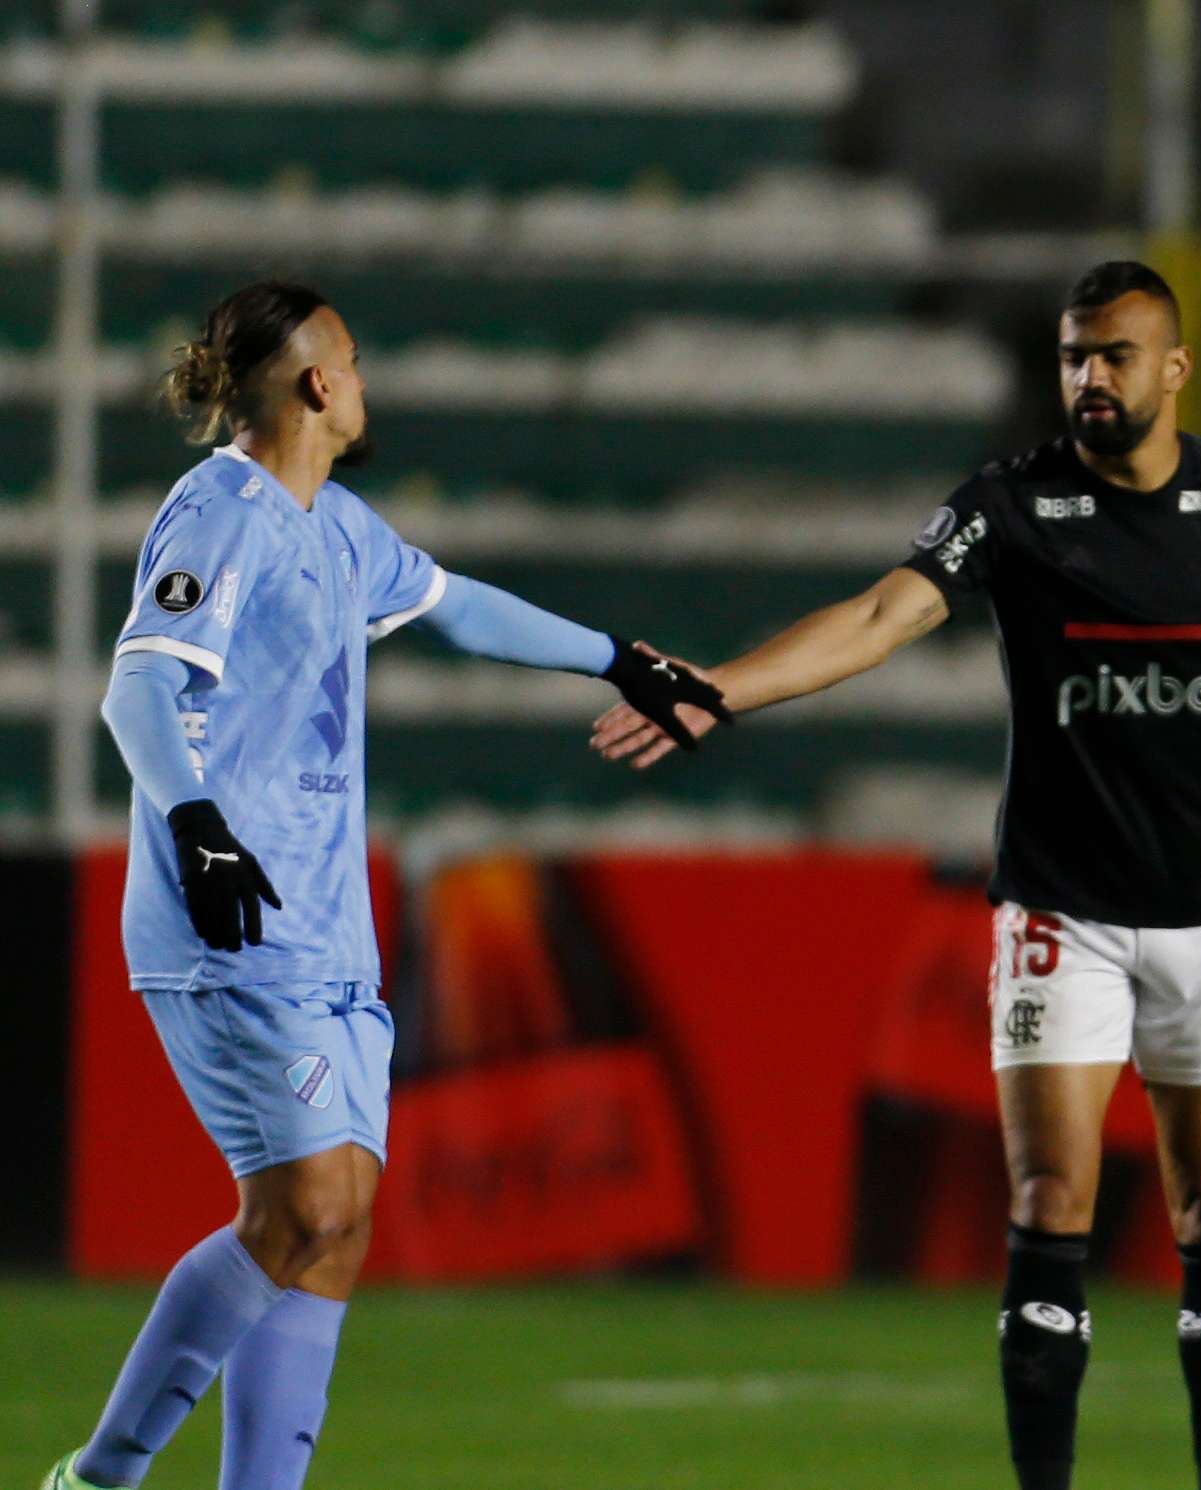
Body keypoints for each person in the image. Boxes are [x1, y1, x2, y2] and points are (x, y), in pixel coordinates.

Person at [590, 260, 1201, 1490]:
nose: (1089, 378)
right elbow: (881, 613)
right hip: (1056, 908)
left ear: (1172, 367)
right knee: (1050, 1191)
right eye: (1073, 355)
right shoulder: (1011, 505)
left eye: (1114, 354)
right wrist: (725, 689)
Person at [45, 281, 726, 1490]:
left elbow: (460, 608)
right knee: (304, 1205)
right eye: (351, 363)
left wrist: (620, 659)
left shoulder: (338, 527)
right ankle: (97, 1477)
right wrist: (199, 828)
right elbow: (138, 686)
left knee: (338, 1224)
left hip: (325, 937)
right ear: (316, 383)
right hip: (230, 922)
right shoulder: (222, 510)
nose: (363, 383)